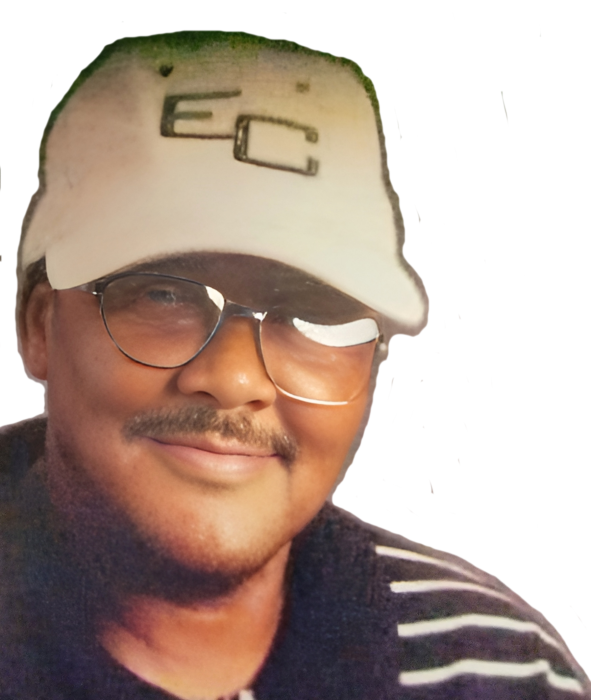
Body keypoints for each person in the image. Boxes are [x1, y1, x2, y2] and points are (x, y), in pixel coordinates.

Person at [2, 28, 589, 700]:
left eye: (316, 316)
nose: (233, 378)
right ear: (39, 325)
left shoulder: (499, 671)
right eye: (162, 294)